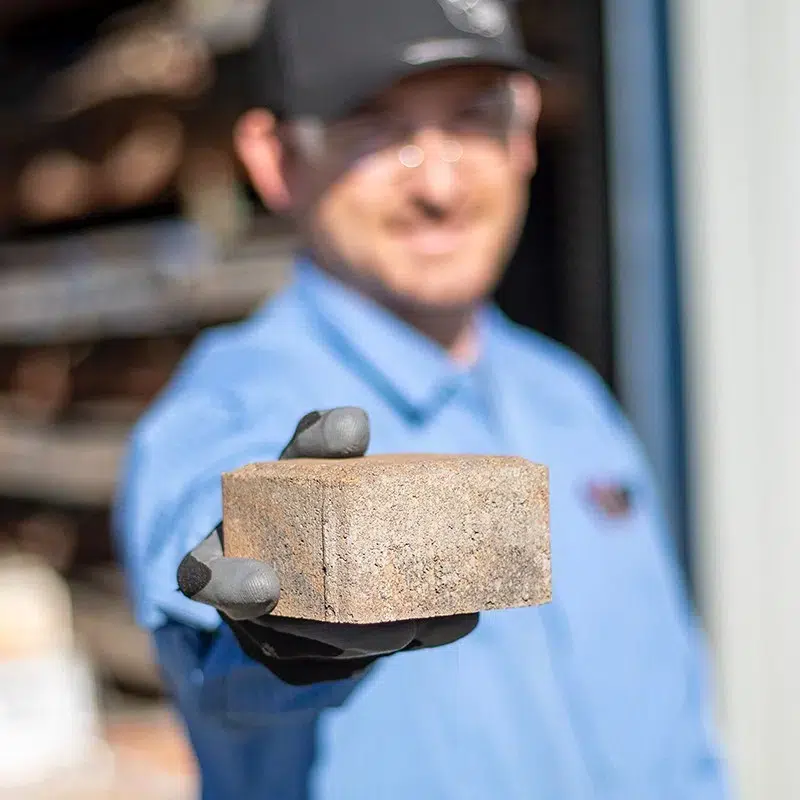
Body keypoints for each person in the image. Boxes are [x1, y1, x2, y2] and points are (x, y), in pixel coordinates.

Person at [114, 0, 730, 797]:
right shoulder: (231, 403)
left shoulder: (569, 396)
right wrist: (269, 611)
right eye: (375, 127)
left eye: (473, 118)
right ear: (277, 160)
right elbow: (205, 532)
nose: (439, 186)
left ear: (523, 132)